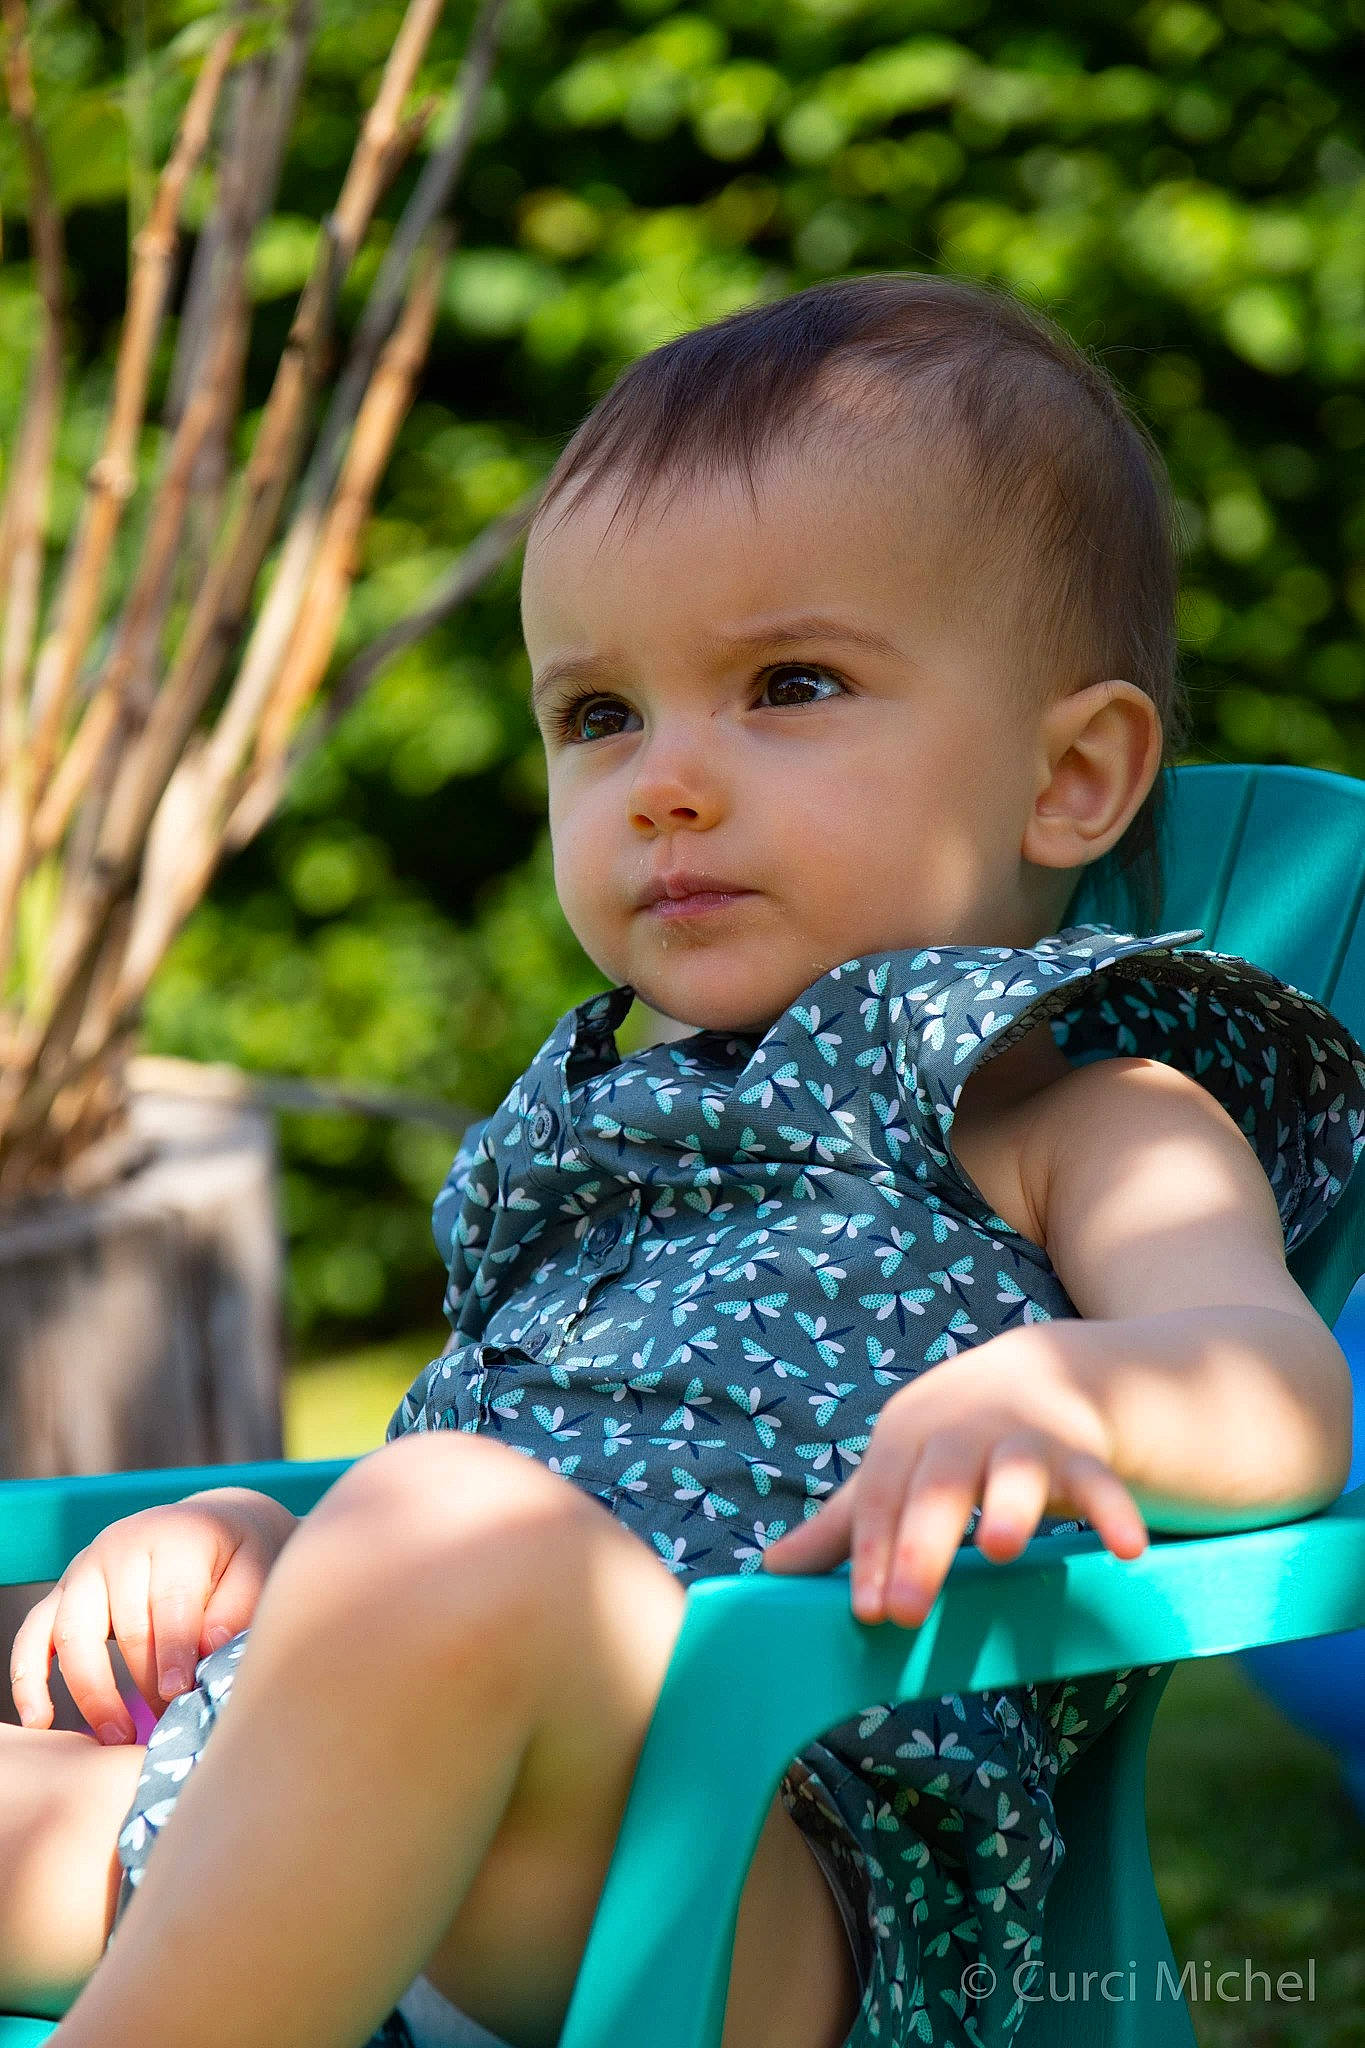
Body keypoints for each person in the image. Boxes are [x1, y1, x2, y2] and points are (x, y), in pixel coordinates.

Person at [2, 271, 1362, 2048]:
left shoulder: (1077, 1112)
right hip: (324, 1814)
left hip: (761, 1863)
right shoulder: (589, 1136)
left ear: (1074, 779)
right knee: (424, 1526)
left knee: (455, 1530)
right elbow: (462, 1482)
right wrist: (250, 1538)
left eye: (788, 685)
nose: (662, 783)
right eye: (598, 716)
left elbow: (1277, 1393)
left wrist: (1077, 1392)